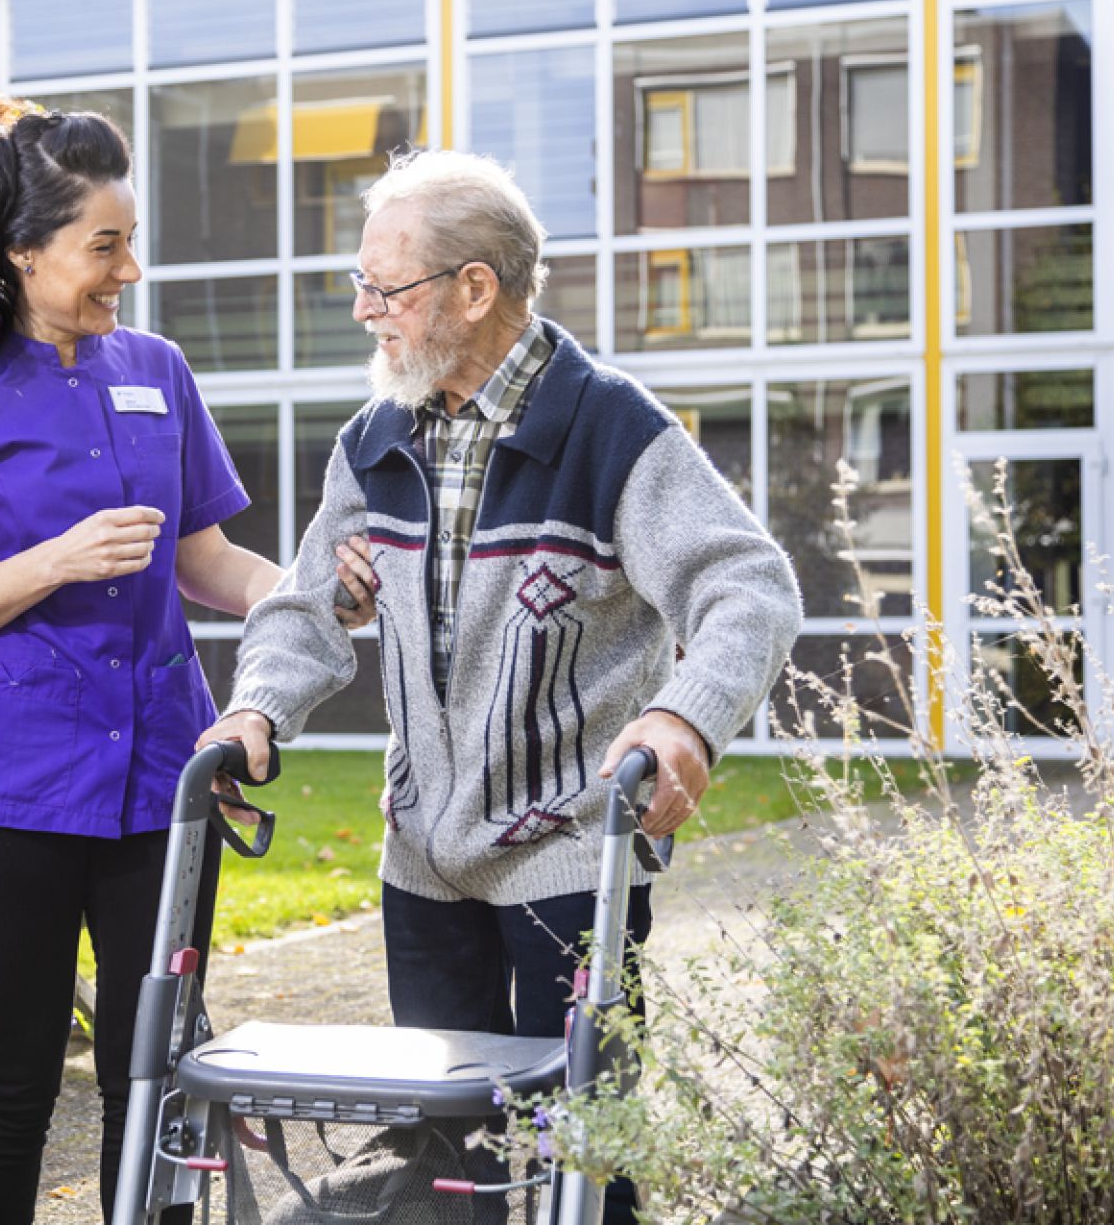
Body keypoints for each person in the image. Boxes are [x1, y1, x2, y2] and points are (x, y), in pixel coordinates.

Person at [195, 150, 802, 1223]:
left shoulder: (609, 430)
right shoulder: (378, 436)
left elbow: (748, 585)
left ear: (475, 289)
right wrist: (256, 709)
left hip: (568, 850)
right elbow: (302, 606)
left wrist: (683, 719)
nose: (364, 310)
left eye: (386, 288)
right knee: (445, 1156)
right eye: (362, 284)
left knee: (584, 1144)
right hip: (424, 858)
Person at [0, 98, 372, 1225]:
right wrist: (54, 560)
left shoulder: (157, 370)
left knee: (156, 1078)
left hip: (163, 783)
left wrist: (311, 594)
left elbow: (205, 559)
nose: (129, 270)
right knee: (14, 1083)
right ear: (22, 251)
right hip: (11, 792)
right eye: (104, 246)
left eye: (129, 240)